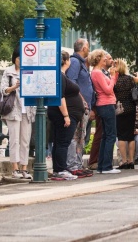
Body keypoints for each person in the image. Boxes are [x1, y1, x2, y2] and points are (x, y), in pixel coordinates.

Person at [47, 51, 84, 180]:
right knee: (63, 142)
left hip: (66, 114)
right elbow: (60, 97)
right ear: (66, 61)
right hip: (64, 114)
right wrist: (66, 115)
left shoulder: (61, 75)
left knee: (59, 142)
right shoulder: (60, 76)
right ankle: (60, 169)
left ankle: (59, 167)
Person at [0, 47, 34, 180]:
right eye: (19, 58)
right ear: (15, 58)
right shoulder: (8, 72)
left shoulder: (30, 71)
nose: (21, 61)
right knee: (14, 140)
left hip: (28, 109)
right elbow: (3, 90)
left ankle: (24, 168)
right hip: (14, 109)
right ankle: (15, 168)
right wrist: (15, 87)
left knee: (25, 140)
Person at [66, 38, 93, 176]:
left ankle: (77, 163)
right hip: (78, 106)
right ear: (83, 48)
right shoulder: (76, 62)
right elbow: (72, 82)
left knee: (81, 137)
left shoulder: (82, 63)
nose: (89, 49)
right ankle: (72, 164)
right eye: (88, 46)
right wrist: (82, 99)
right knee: (76, 136)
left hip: (84, 107)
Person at [91, 50, 119, 174]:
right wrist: (112, 77)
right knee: (111, 135)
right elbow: (108, 90)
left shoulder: (98, 72)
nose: (105, 59)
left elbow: (111, 84)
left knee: (105, 136)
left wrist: (113, 74)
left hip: (104, 104)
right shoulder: (97, 73)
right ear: (99, 59)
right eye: (103, 57)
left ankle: (102, 165)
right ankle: (107, 166)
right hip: (106, 104)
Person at [113, 58, 138, 169]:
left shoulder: (115, 79)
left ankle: (124, 161)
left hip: (119, 109)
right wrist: (137, 74)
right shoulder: (130, 79)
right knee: (130, 136)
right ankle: (131, 161)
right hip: (131, 108)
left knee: (121, 136)